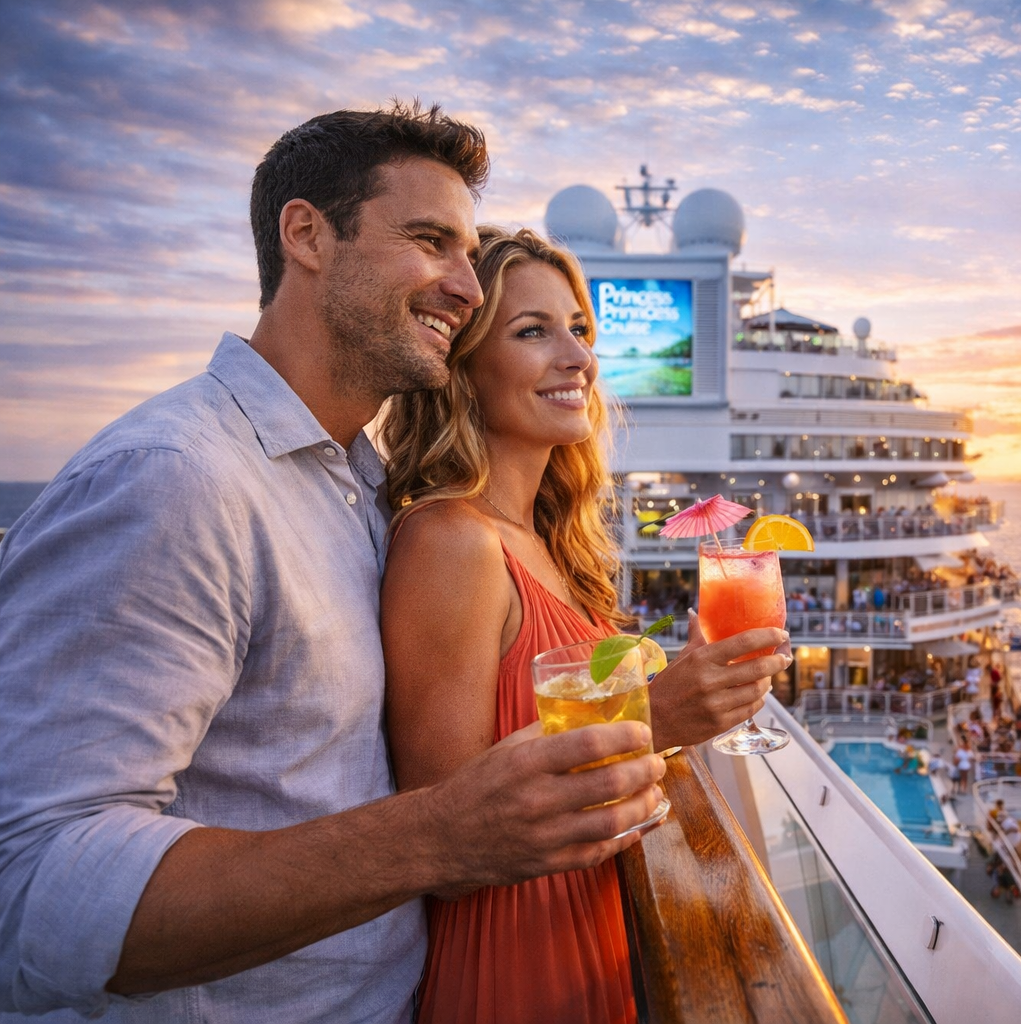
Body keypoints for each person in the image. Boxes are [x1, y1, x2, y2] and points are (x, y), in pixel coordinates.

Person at [0, 104, 665, 1022]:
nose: (467, 289)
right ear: (306, 235)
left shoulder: (362, 484)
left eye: (468, 255)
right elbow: (30, 888)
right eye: (431, 241)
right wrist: (441, 835)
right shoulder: (174, 480)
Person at [378, 226, 789, 1024]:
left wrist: (684, 696)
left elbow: (560, 731)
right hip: (516, 951)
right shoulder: (451, 542)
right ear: (461, 370)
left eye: (580, 330)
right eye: (533, 332)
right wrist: (661, 711)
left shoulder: (546, 540)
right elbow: (441, 835)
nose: (579, 359)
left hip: (593, 917)